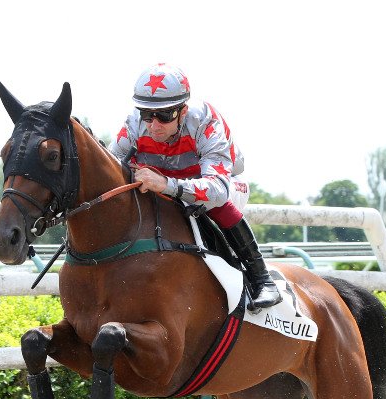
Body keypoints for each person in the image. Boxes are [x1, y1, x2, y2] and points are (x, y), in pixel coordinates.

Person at [109, 63, 282, 309]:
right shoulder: (133, 125)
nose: (154, 125)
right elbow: (111, 171)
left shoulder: (206, 123)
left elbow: (217, 189)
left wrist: (166, 184)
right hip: (165, 180)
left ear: (183, 111)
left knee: (216, 203)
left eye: (164, 116)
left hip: (220, 184)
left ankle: (262, 279)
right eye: (147, 114)